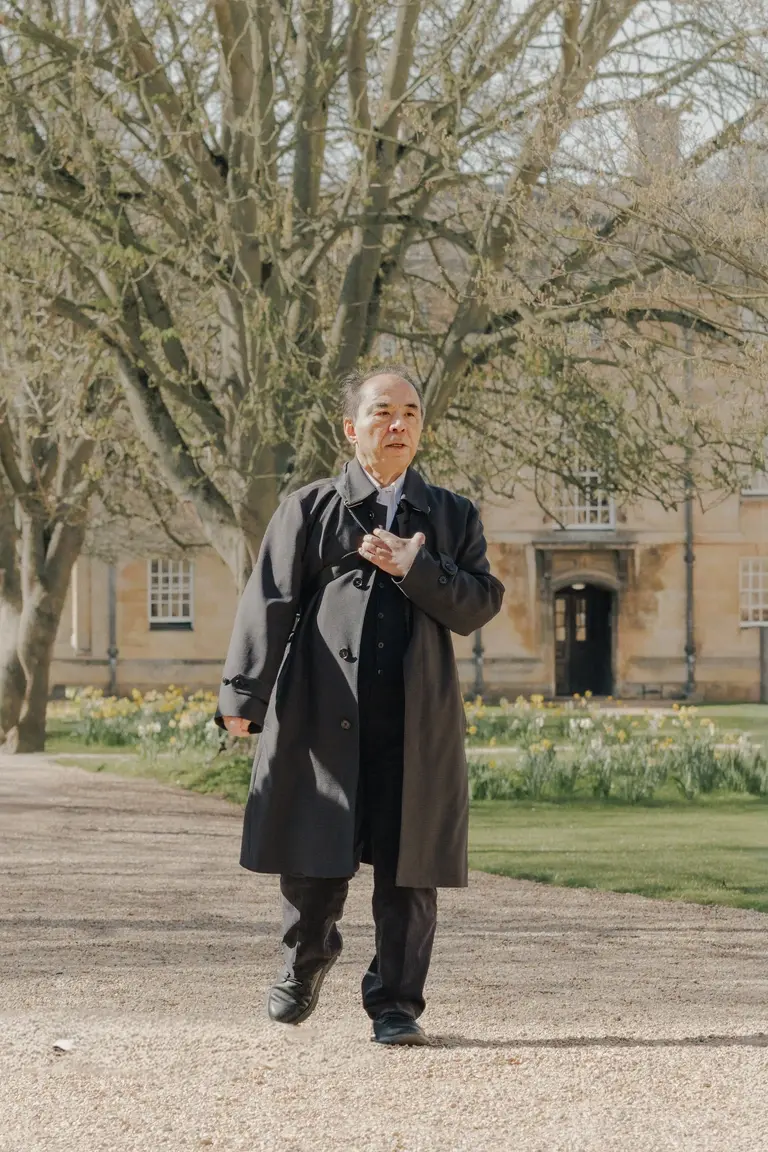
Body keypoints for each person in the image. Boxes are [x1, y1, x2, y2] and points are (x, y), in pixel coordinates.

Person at [216, 365, 504, 1046]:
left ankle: (397, 1005)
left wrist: (414, 567)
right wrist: (242, 694)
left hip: (415, 723)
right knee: (312, 859)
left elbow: (479, 605)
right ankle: (305, 957)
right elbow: (269, 603)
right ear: (352, 428)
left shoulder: (452, 515)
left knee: (410, 873)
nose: (397, 424)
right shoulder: (309, 509)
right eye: (382, 413)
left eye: (409, 412)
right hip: (320, 715)